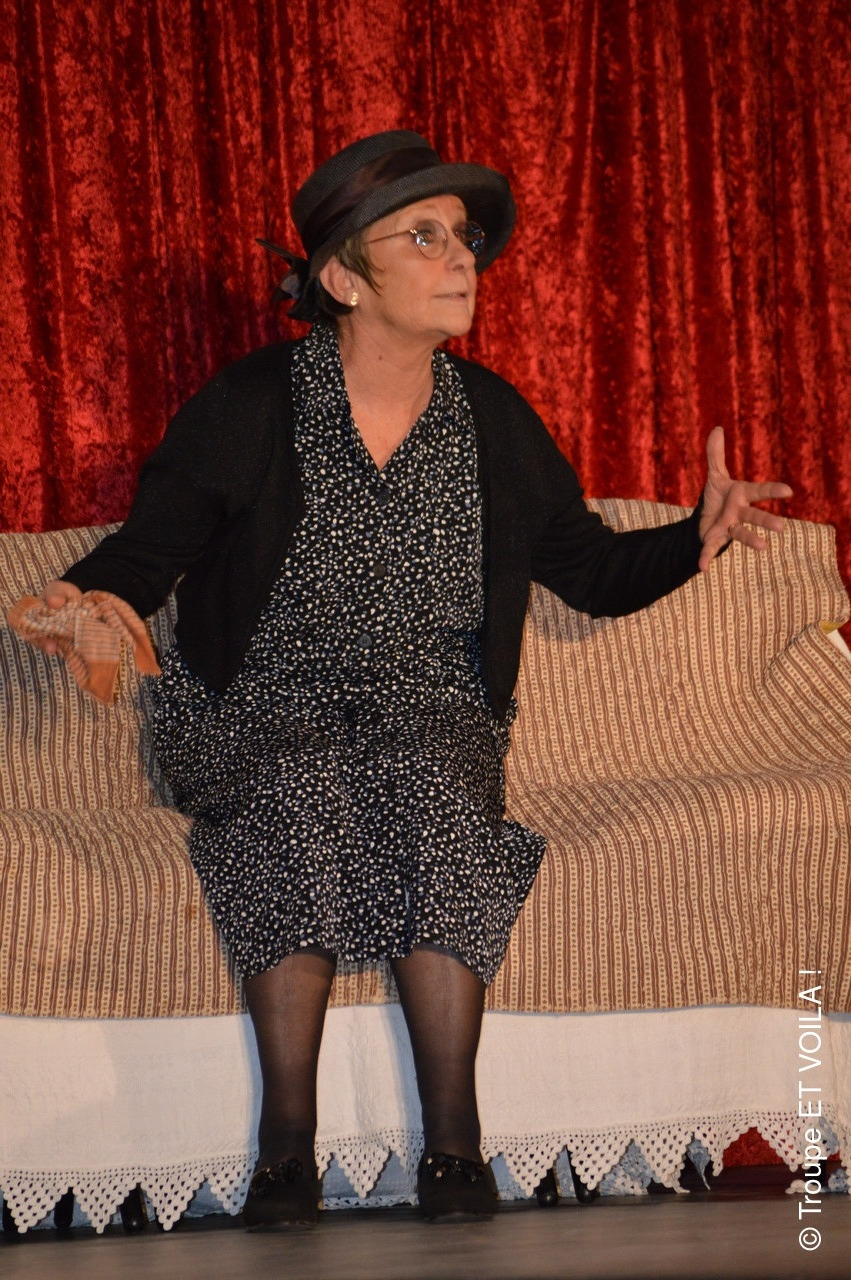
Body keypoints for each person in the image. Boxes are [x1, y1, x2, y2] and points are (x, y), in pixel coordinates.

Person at [38, 130, 791, 1228]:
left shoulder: (490, 416)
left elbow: (585, 571)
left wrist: (693, 538)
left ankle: (452, 1144)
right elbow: (152, 549)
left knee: (439, 795)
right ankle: (284, 1149)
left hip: (429, 707)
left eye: (465, 238)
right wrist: (85, 597)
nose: (460, 258)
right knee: (299, 792)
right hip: (261, 702)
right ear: (345, 277)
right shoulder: (252, 403)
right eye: (424, 237)